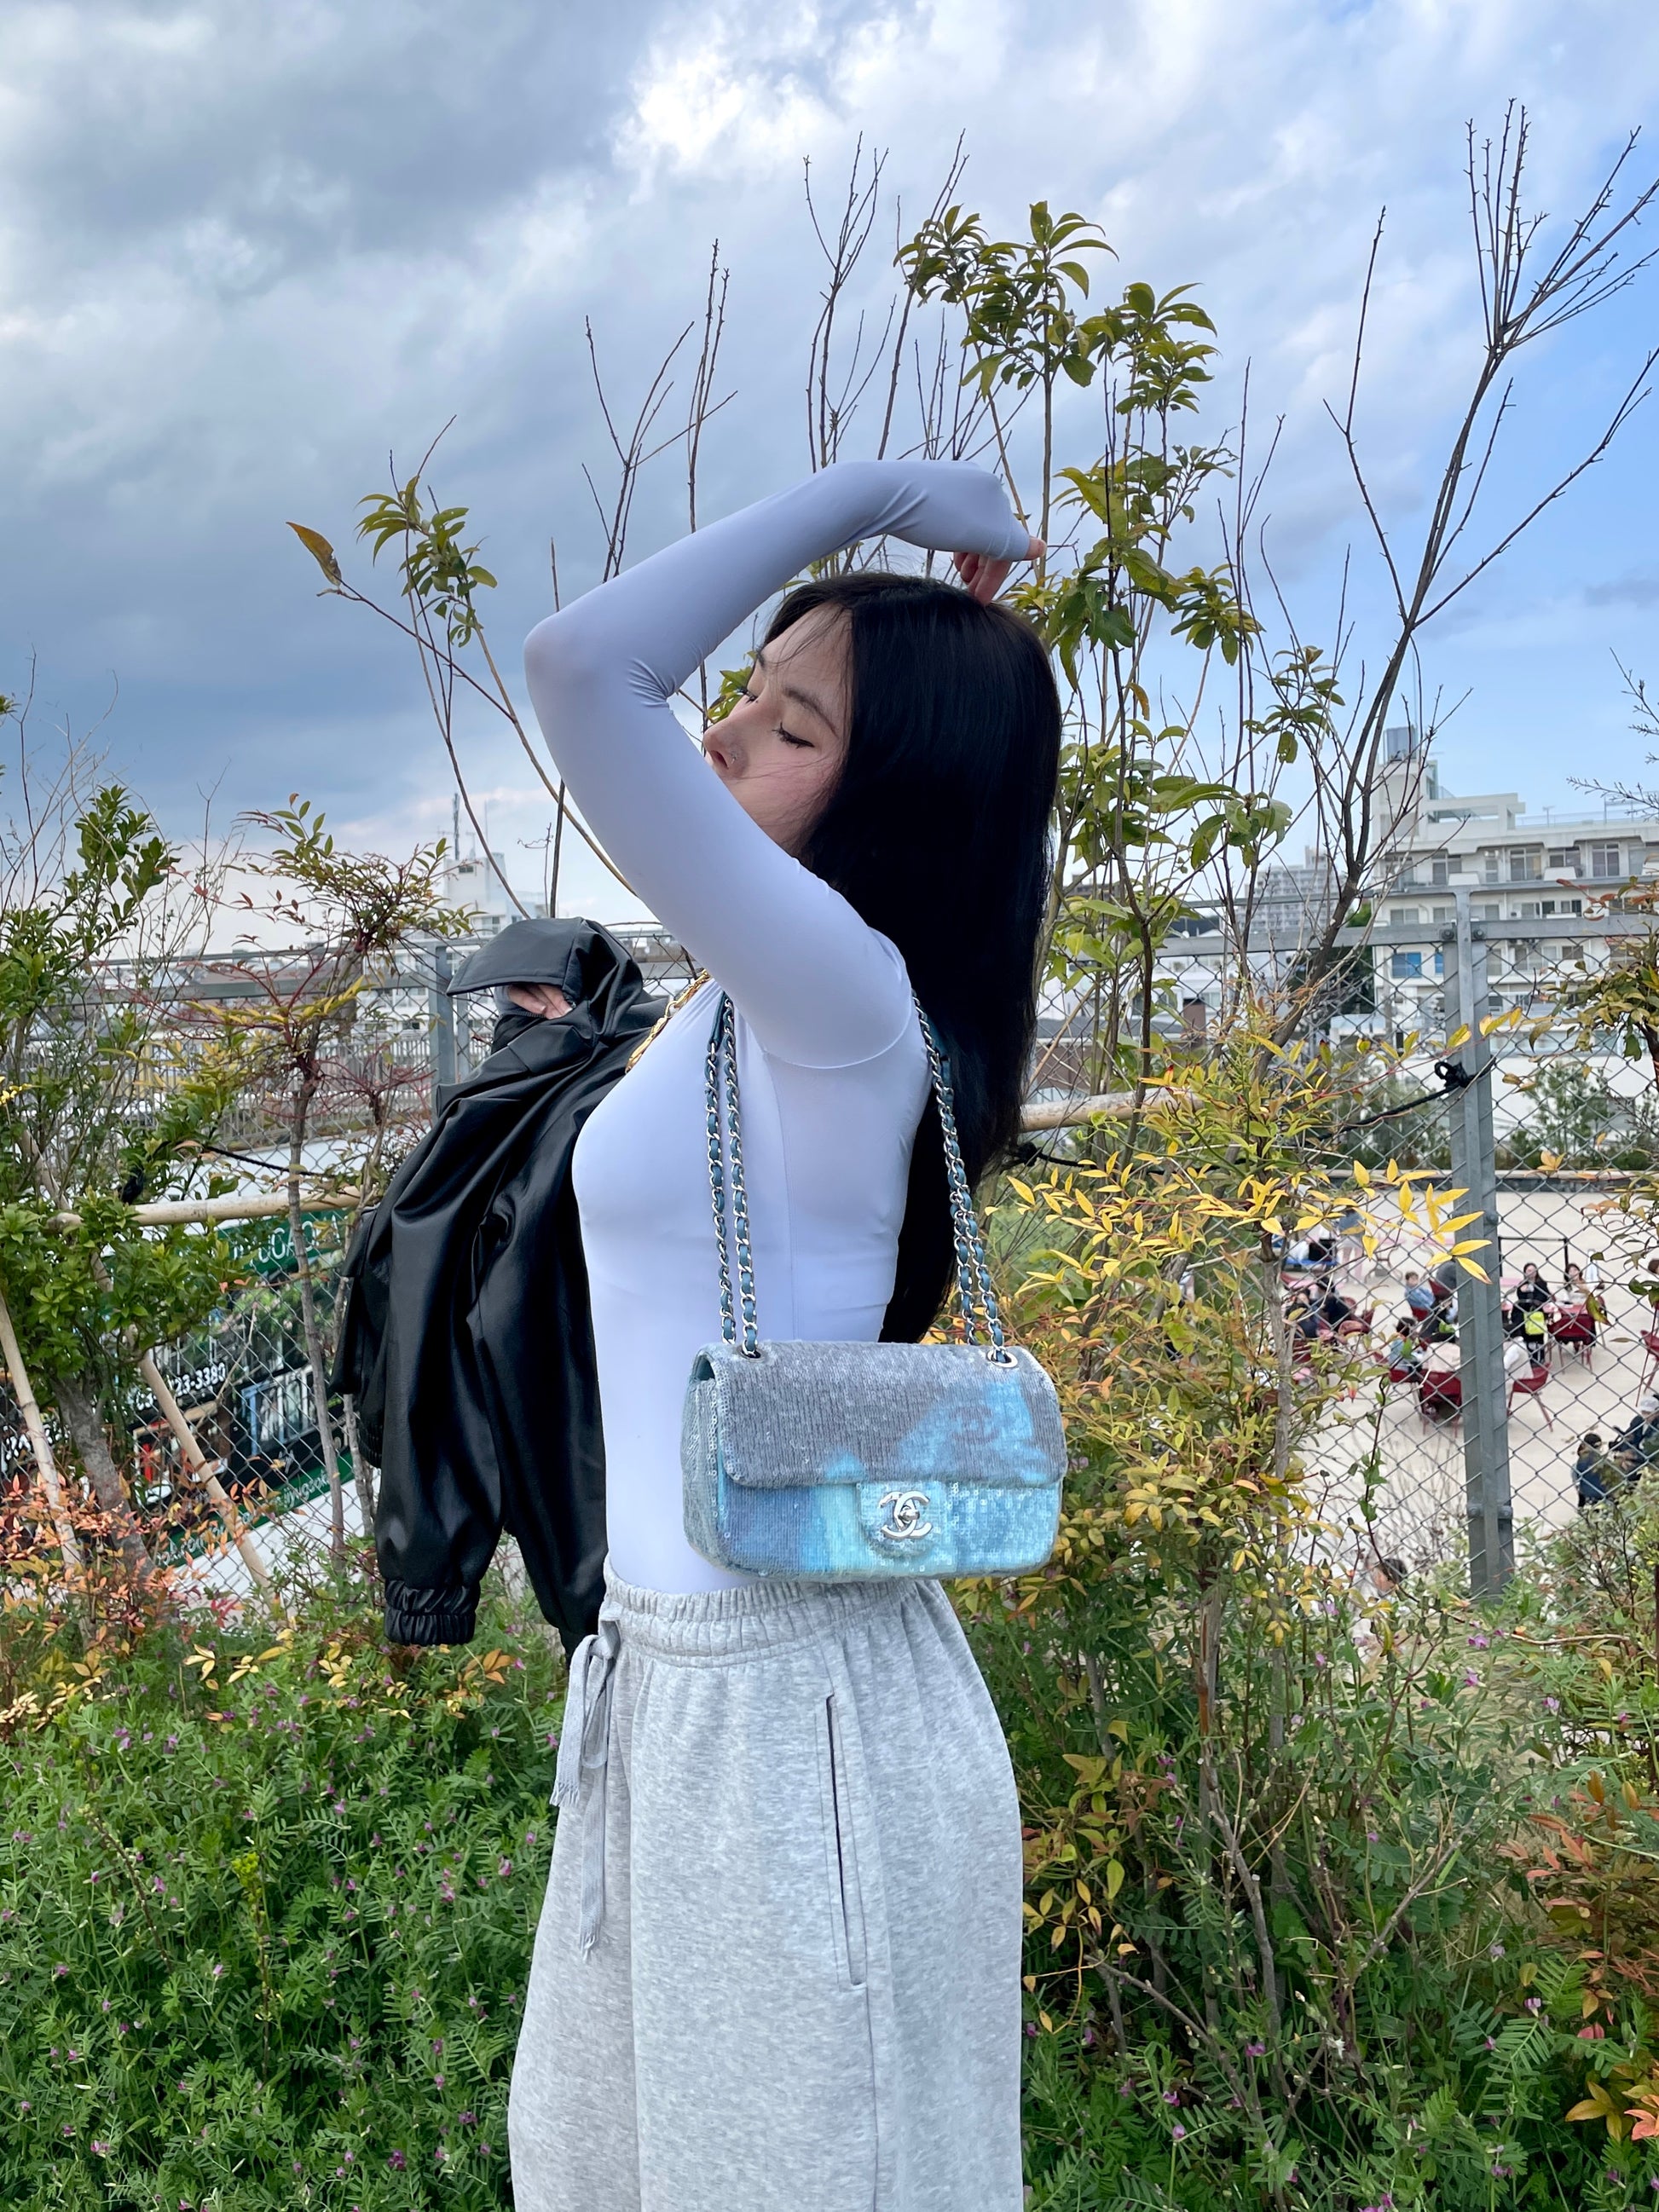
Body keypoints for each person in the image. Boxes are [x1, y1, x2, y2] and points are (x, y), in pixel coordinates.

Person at [507, 460, 1055, 2212]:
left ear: (898, 796)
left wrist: (888, 490)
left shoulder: (843, 1000)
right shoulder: (740, 1008)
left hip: (789, 1707)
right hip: (664, 1676)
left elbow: (583, 666)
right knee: (600, 2169)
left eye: (790, 723)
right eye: (742, 695)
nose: (724, 737)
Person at [334, 918, 662, 1651]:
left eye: (528, 999)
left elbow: (441, 1331)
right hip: (622, 1436)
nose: (514, 1020)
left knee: (608, 1643)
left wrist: (429, 1572)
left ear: (565, 1003)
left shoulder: (527, 1118)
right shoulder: (560, 1105)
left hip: (583, 1449)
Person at [1575, 1432, 1616, 1509]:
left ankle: (1581, 1504)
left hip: (1585, 1491)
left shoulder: (1581, 1460)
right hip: (1601, 1492)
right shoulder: (1601, 1461)